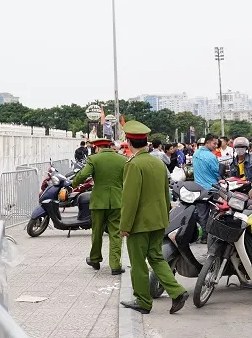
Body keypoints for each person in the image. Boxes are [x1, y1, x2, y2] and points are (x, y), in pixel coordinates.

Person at [118, 121, 188, 315]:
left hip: (140, 224)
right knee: (156, 258)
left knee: (138, 263)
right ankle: (177, 291)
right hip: (159, 220)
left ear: (129, 142)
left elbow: (130, 199)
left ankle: (143, 301)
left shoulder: (133, 164)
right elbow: (165, 193)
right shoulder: (158, 162)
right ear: (146, 141)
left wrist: (125, 226)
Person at [73, 138, 126, 275]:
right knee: (115, 233)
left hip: (98, 202)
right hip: (117, 200)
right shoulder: (122, 159)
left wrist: (73, 184)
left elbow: (83, 175)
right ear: (109, 146)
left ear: (97, 148)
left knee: (97, 231)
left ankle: (95, 259)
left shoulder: (94, 159)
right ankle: (115, 265)